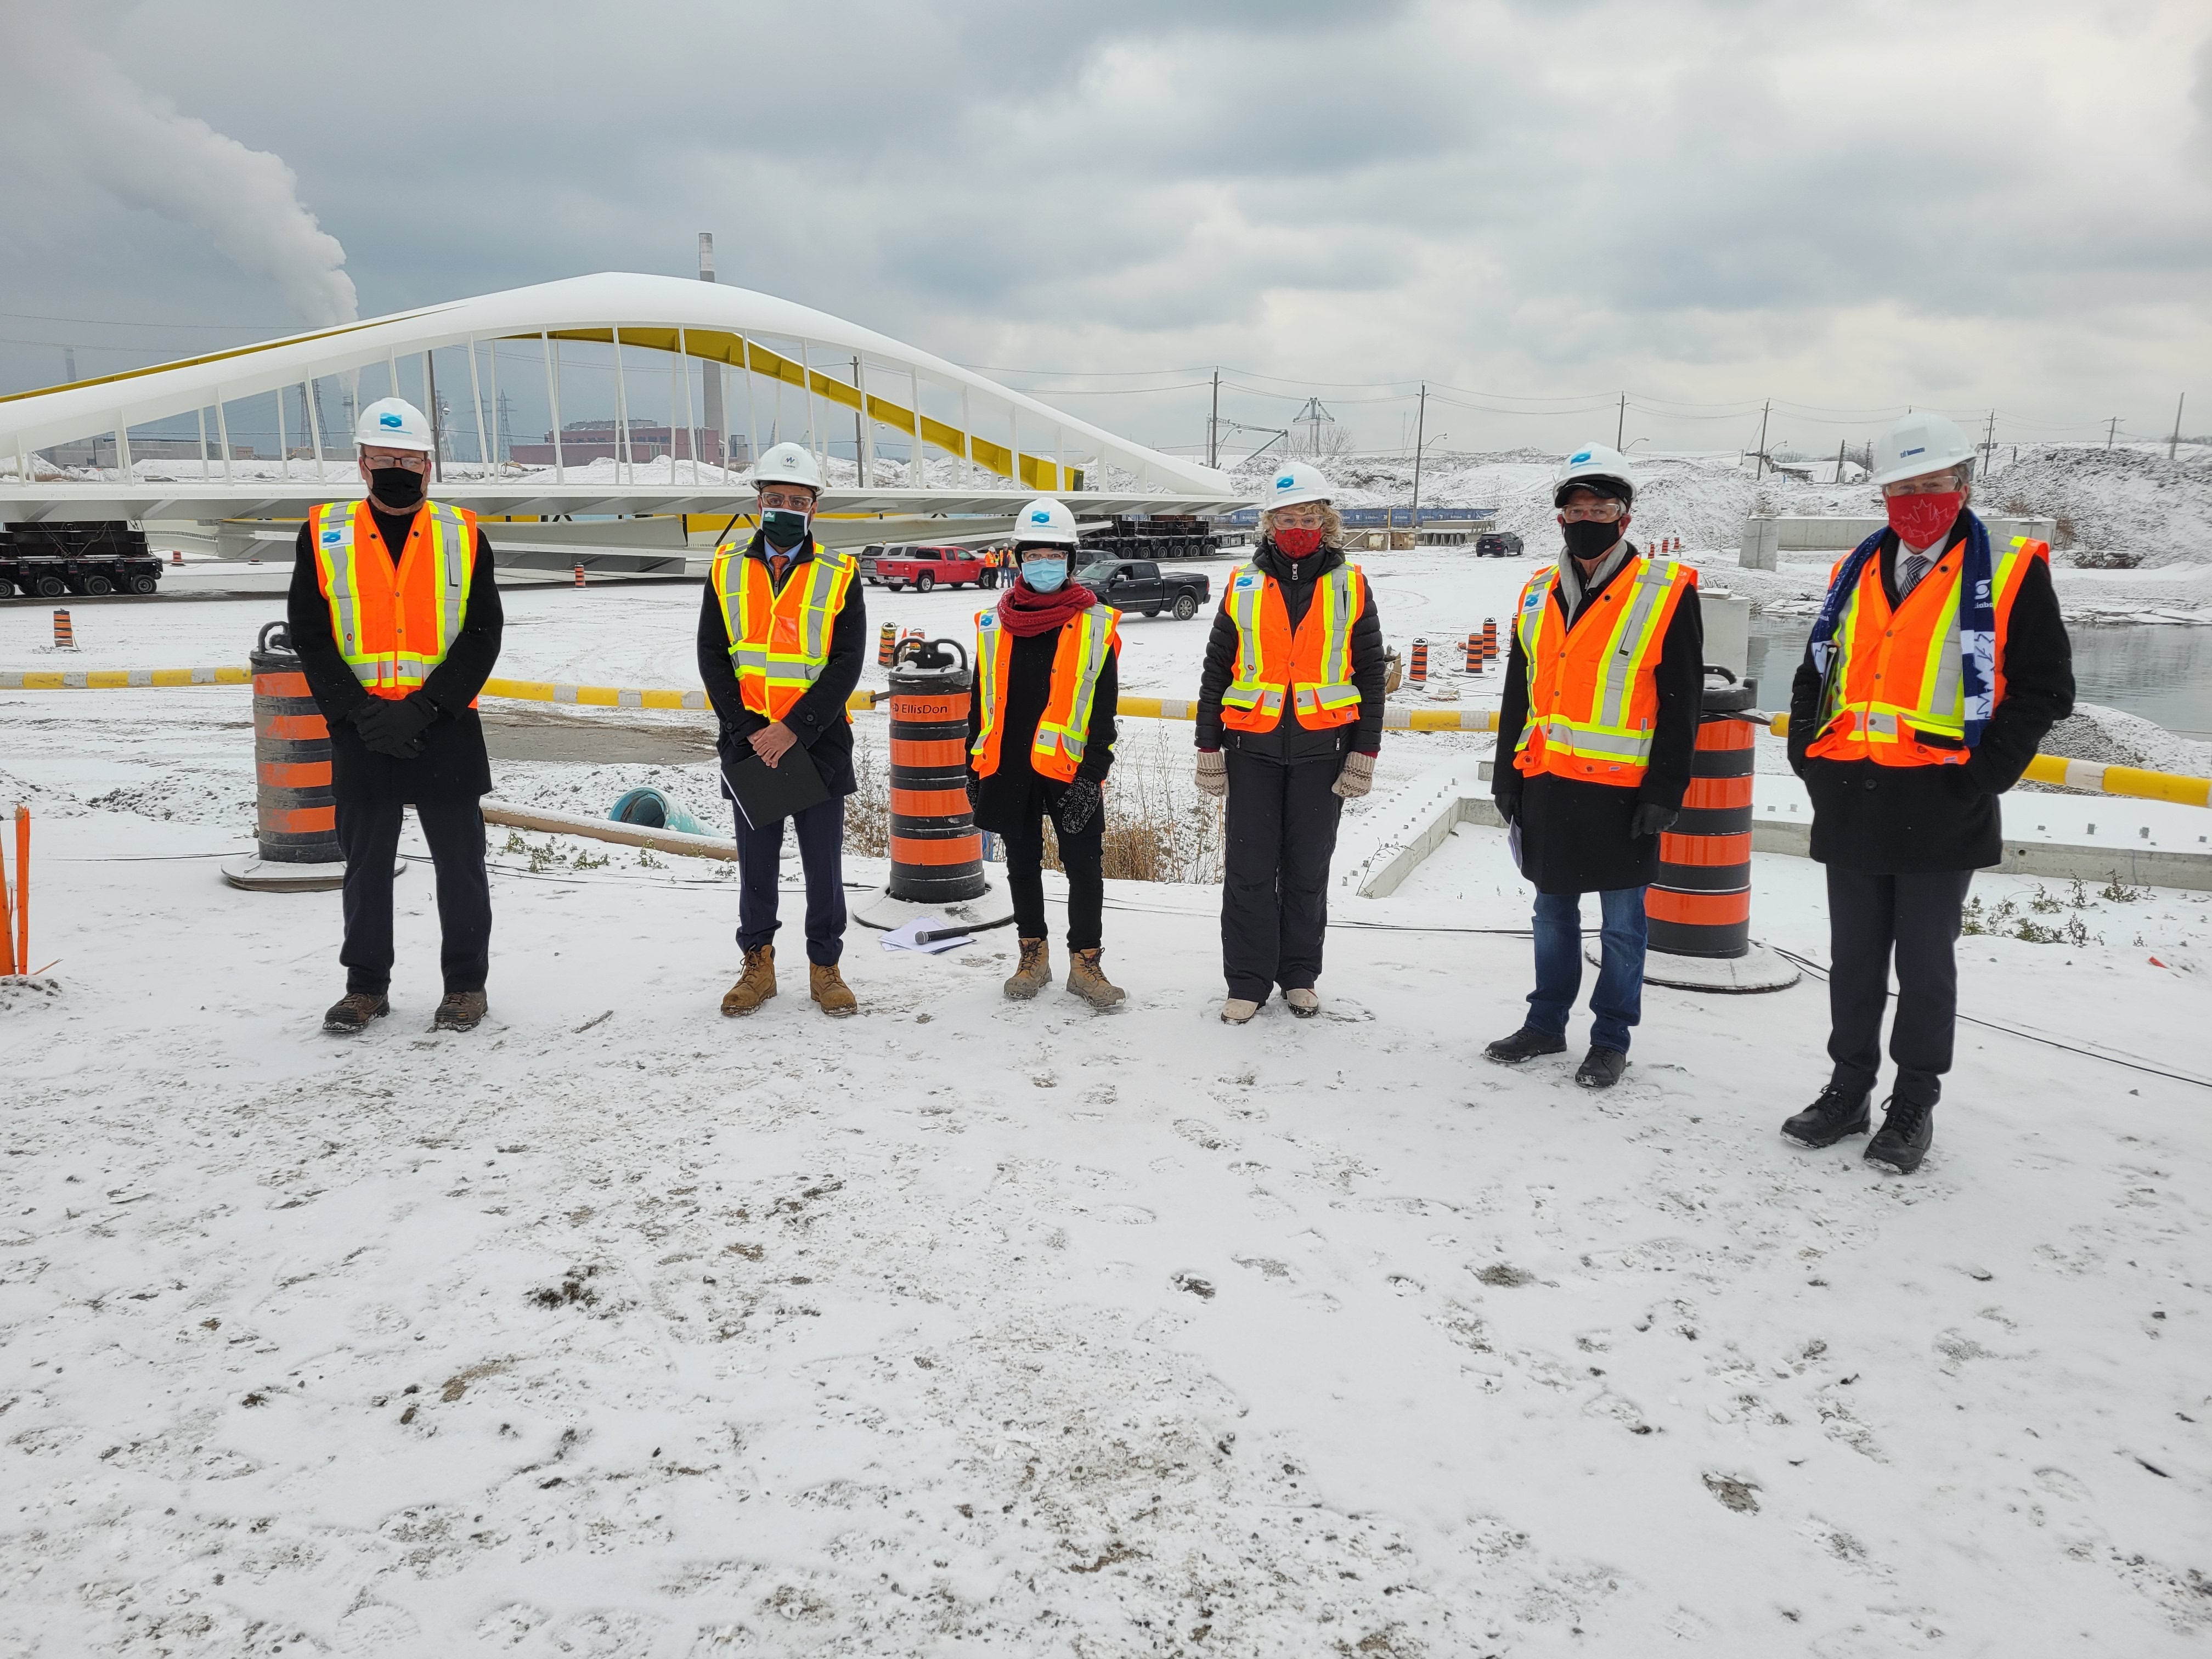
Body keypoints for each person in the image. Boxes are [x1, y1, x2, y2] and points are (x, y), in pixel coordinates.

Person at [1782, 411, 2073, 1173]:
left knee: (1925, 964)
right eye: (1902, 488)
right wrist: (1807, 752)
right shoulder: (1854, 569)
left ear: (1963, 485)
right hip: (1852, 794)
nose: (1917, 501)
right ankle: (1849, 1087)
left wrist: (1985, 775)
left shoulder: (2009, 571)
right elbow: (1819, 667)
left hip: (1941, 803)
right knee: (1853, 959)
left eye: (1932, 485)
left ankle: (1913, 1101)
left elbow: (2044, 688)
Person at [1485, 444, 1703, 1089]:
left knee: (1624, 925)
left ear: (1625, 517)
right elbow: (1517, 696)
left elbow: (1681, 702)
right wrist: (1507, 776)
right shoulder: (1535, 593)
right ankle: (1546, 1024)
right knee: (1552, 915)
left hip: (1623, 793)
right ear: (1559, 519)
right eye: (1576, 508)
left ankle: (1611, 1038)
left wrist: (1666, 788)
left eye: (1600, 508)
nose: (1587, 518)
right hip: (1548, 784)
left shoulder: (1666, 592)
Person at [287, 397, 504, 1036]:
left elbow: (483, 632)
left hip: (444, 725)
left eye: (409, 459)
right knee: (366, 866)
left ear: (429, 468)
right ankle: (365, 987)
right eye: (384, 459)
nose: (397, 469)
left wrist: (427, 707)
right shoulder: (325, 534)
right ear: (361, 464)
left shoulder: (464, 534)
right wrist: (358, 711)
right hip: (363, 730)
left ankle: (466, 985)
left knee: (461, 867)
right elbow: (310, 631)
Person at [1194, 461, 1386, 1024]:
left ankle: (1299, 975)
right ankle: (1248, 980)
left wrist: (1364, 752)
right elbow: (1216, 670)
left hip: (1321, 753)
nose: (1297, 526)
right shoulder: (1244, 584)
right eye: (1286, 517)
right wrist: (1209, 748)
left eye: (1308, 516)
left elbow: (1371, 674)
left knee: (1308, 870)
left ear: (1325, 521)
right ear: (1268, 523)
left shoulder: (1351, 584)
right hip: (1251, 750)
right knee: (1249, 871)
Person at [698, 441, 867, 1018]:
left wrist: (793, 728)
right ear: (759, 502)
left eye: (798, 499)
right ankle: (758, 965)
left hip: (817, 745)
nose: (787, 507)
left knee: (825, 868)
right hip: (751, 749)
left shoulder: (840, 574)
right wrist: (752, 732)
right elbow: (714, 658)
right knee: (756, 866)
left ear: (815, 507)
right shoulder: (725, 570)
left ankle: (826, 967)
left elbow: (846, 663)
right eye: (776, 498)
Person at [967, 498, 1125, 1008]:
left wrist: (1094, 771)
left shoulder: (1095, 624)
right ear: (1017, 559)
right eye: (1033, 554)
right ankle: (1032, 956)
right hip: (1009, 766)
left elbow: (1104, 709)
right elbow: (980, 699)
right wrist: (974, 765)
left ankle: (1086, 963)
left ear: (1070, 560)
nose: (1043, 563)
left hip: (1070, 767)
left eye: (1053, 553)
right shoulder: (995, 624)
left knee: (1085, 866)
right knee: (1021, 864)